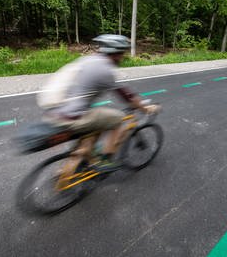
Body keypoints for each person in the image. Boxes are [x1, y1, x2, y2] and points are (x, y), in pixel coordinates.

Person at [37, 34, 158, 168]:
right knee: (118, 118)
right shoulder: (105, 70)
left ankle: (83, 156)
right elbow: (126, 96)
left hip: (54, 112)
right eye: (122, 53)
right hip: (73, 116)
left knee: (99, 119)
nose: (122, 57)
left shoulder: (88, 60)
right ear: (116, 53)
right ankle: (106, 159)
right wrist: (146, 108)